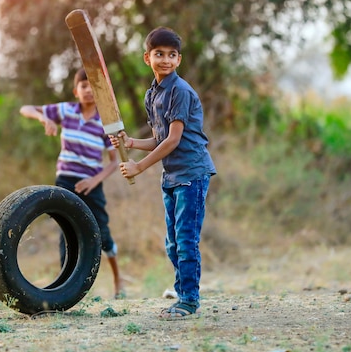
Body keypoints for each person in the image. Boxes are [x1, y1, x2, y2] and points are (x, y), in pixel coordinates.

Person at [109, 27, 216, 320]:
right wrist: (130, 143)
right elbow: (159, 138)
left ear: (178, 59)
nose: (165, 60)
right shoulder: (152, 94)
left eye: (171, 55)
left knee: (185, 240)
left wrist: (139, 167)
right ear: (147, 58)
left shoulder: (180, 91)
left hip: (191, 174)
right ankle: (182, 293)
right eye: (159, 54)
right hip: (171, 177)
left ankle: (189, 300)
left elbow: (173, 140)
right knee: (172, 242)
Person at [19, 68, 124, 299]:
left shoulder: (105, 121)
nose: (88, 91)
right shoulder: (66, 110)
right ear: (76, 91)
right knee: (66, 232)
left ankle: (118, 280)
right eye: (83, 86)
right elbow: (25, 109)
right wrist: (43, 117)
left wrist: (93, 181)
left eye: (92, 87)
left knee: (101, 233)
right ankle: (64, 288)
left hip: (92, 183)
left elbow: (114, 162)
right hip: (65, 180)